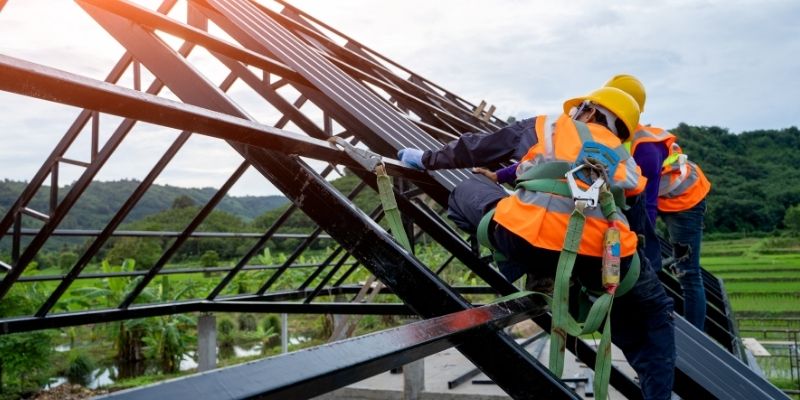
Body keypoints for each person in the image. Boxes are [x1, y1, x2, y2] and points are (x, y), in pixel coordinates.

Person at [398, 87, 675, 400]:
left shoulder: (548, 126)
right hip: (605, 258)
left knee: (468, 188)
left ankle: (539, 272)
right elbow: (639, 224)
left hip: (528, 240)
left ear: (589, 110)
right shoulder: (625, 158)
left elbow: (478, 148)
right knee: (654, 316)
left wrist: (425, 158)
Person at [605, 75, 712, 331]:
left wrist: (640, 245)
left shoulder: (645, 147)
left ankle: (696, 334)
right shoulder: (618, 138)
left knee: (687, 272)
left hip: (685, 200)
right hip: (665, 196)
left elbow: (647, 204)